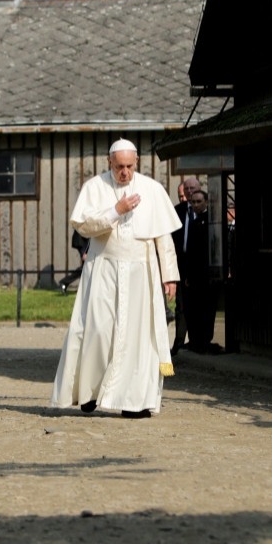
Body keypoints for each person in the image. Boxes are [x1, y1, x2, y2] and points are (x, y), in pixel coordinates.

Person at [50, 139, 181, 419]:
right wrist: (115, 211)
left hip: (141, 272)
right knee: (97, 331)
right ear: (109, 162)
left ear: (137, 162)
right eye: (119, 166)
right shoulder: (95, 187)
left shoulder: (152, 189)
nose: (124, 172)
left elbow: (163, 237)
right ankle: (89, 392)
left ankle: (134, 402)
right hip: (103, 269)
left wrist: (170, 276)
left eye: (129, 166)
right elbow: (83, 226)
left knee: (138, 337)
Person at [174, 189, 220, 354]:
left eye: (199, 201)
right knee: (192, 309)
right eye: (193, 202)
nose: (195, 205)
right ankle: (196, 341)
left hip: (207, 274)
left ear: (206, 202)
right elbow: (191, 252)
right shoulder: (194, 222)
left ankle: (204, 340)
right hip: (193, 275)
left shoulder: (211, 222)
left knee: (206, 309)